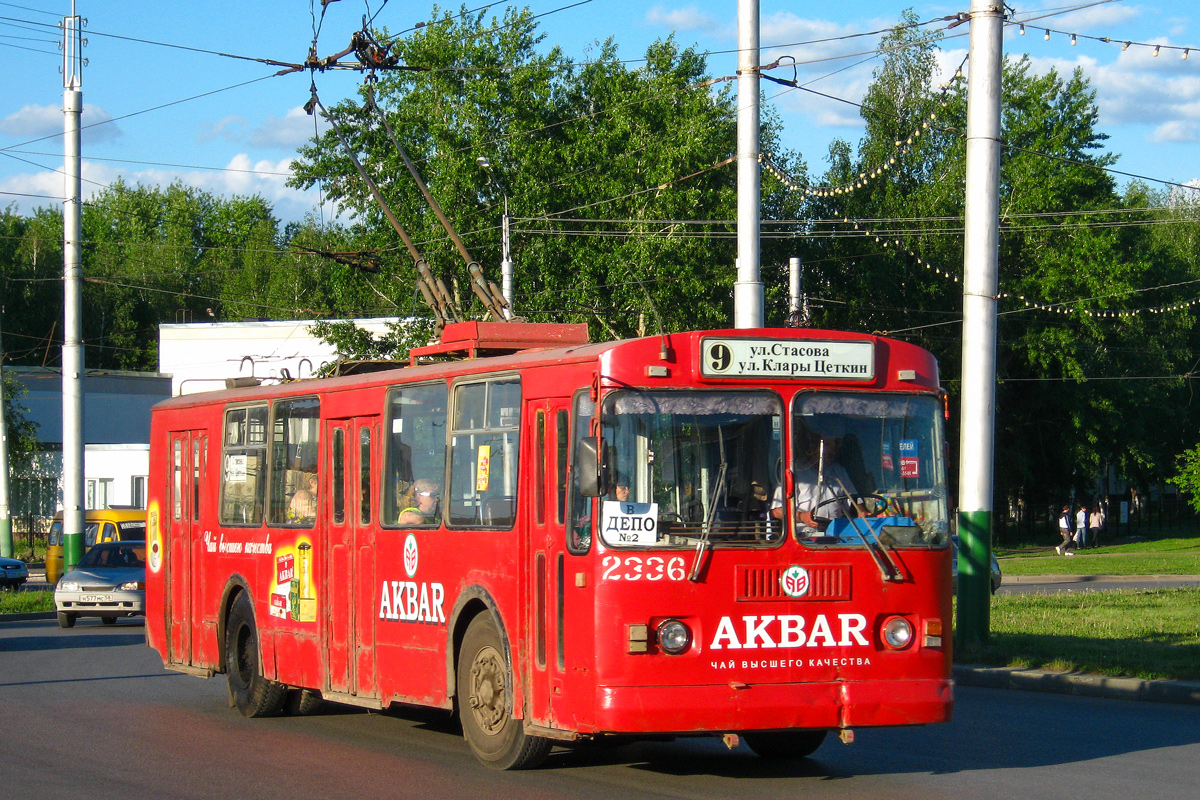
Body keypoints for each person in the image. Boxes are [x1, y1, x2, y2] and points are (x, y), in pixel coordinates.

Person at [770, 418, 866, 533]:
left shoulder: (839, 471)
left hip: (836, 532)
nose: (834, 451)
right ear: (815, 448)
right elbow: (777, 511)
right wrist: (801, 516)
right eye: (829, 446)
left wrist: (861, 511)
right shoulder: (795, 471)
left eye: (834, 445)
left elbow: (854, 498)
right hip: (803, 535)